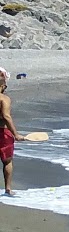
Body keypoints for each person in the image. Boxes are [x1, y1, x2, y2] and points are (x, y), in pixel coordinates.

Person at [0, 69, 16, 198]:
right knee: (7, 161)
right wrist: (16, 134)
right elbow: (6, 116)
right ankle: (8, 189)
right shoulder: (4, 98)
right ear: (3, 86)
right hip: (2, 132)